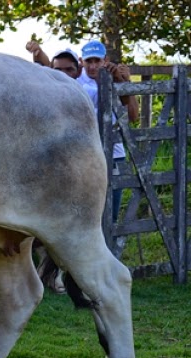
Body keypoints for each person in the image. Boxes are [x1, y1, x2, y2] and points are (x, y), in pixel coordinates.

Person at [80, 40, 139, 222]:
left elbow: (133, 116)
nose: (92, 66)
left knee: (112, 208)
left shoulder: (116, 80)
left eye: (97, 61)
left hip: (114, 153)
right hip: (84, 154)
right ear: (81, 61)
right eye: (88, 61)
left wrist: (124, 83)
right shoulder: (75, 82)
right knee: (86, 209)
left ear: (105, 60)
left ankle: (112, 248)